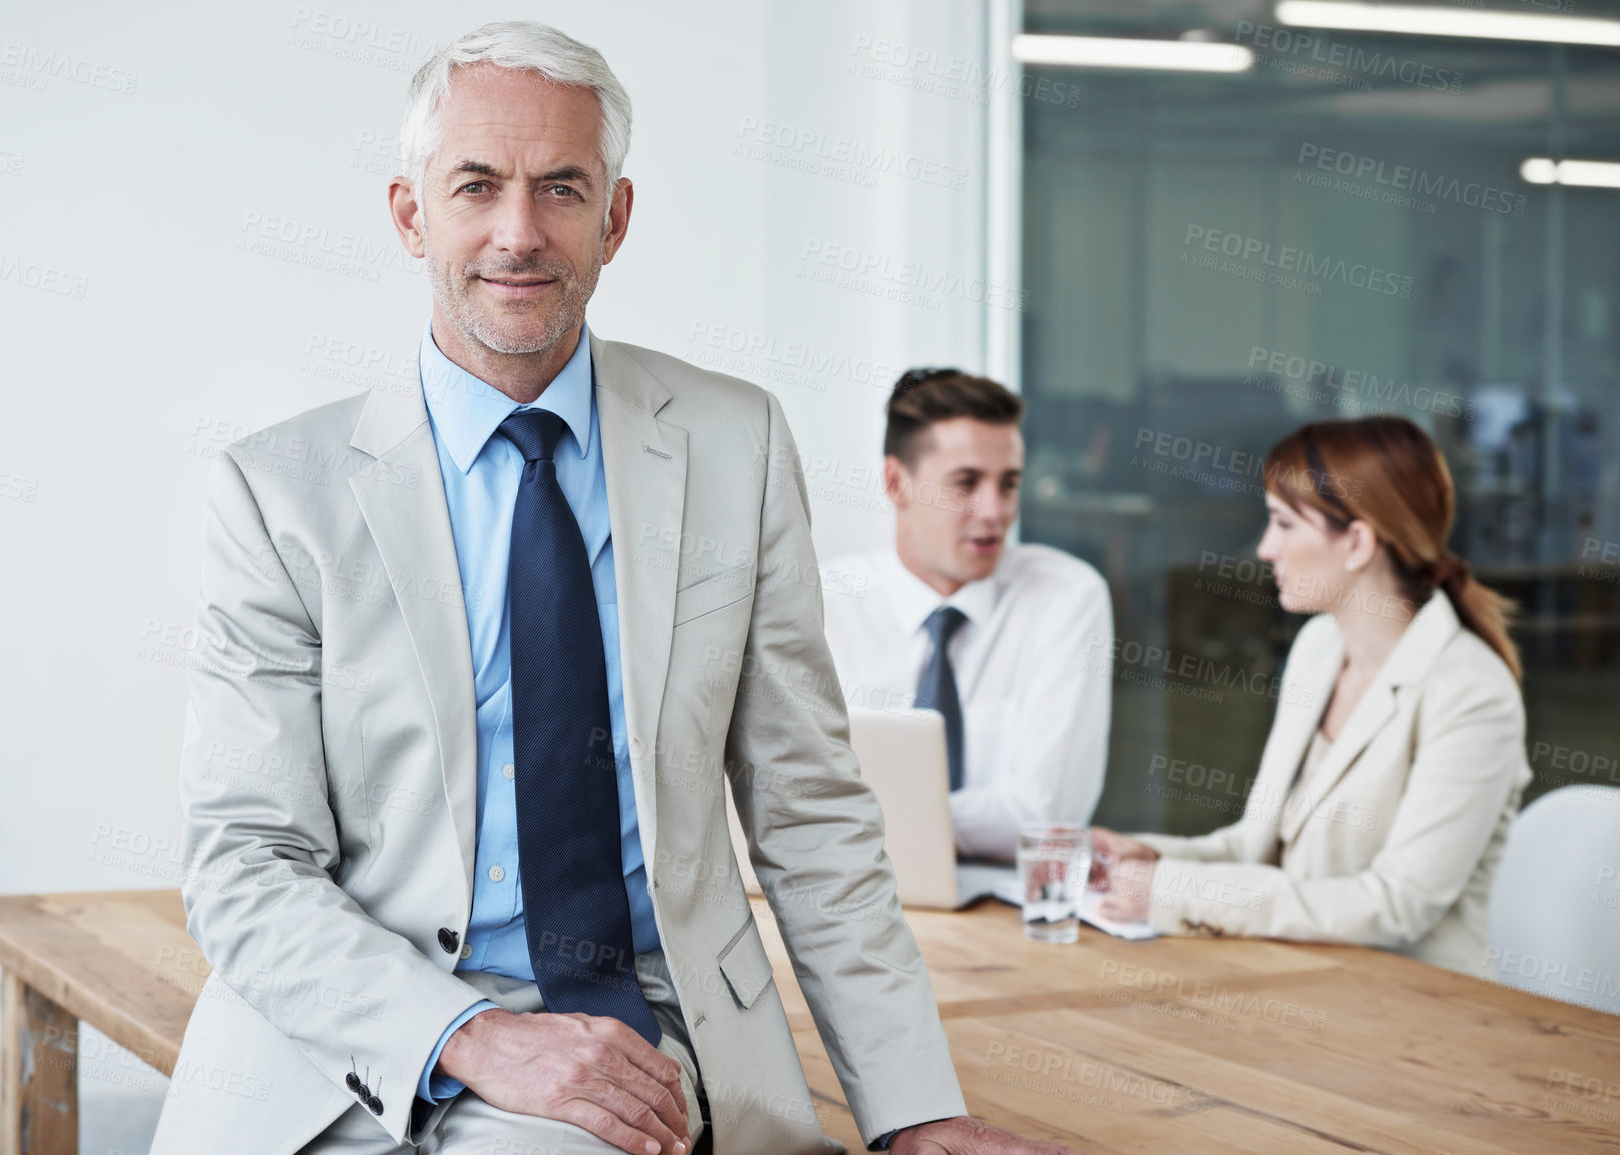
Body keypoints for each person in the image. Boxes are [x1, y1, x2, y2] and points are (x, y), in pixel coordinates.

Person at [148, 22, 1075, 1155]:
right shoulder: (275, 491)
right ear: (411, 214)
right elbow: (245, 858)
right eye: (477, 186)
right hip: (337, 1039)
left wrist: (913, 1108)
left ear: (616, 219)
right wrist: (468, 1031)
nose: (519, 232)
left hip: (625, 1026)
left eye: (562, 188)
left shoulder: (734, 443)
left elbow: (812, 811)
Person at [1092, 417, 1530, 978]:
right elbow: (1261, 849)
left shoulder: (1472, 694)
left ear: (1356, 543)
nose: (1265, 548)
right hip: (1296, 981)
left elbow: (1397, 905)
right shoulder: (1319, 648)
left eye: (1283, 524)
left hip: (1413, 1014)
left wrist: (1173, 891)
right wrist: (1152, 859)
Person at [822, 369, 1113, 861]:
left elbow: (1048, 815)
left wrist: (863, 820)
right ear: (897, 482)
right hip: (850, 898)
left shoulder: (1065, 596)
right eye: (967, 483)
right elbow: (785, 798)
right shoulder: (824, 603)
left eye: (1009, 483)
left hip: (1001, 908)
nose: (995, 511)